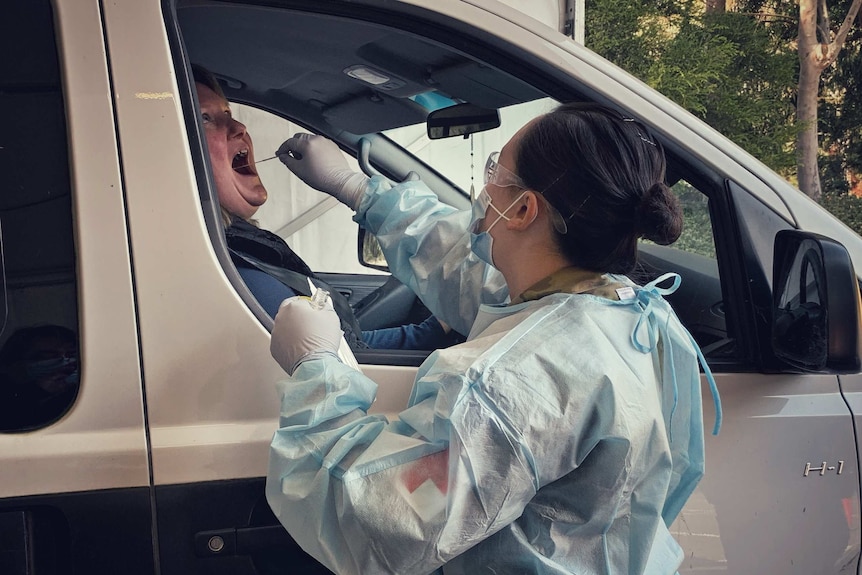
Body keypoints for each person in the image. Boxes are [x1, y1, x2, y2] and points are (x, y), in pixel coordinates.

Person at [265, 103, 722, 574]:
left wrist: (316, 371)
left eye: (494, 170)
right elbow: (467, 272)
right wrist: (359, 190)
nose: (485, 190)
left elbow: (374, 519)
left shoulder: (510, 390)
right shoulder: (635, 317)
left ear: (523, 209)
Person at [192, 64, 456, 350]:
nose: (240, 128)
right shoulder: (237, 275)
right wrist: (347, 184)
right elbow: (340, 364)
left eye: (229, 114)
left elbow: (342, 348)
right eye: (205, 118)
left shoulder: (237, 251)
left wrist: (434, 330)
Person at [0, 325, 79, 431]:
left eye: (71, 355)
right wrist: (37, 391)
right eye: (48, 356)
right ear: (15, 363)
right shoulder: (7, 400)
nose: (64, 361)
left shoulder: (79, 394)